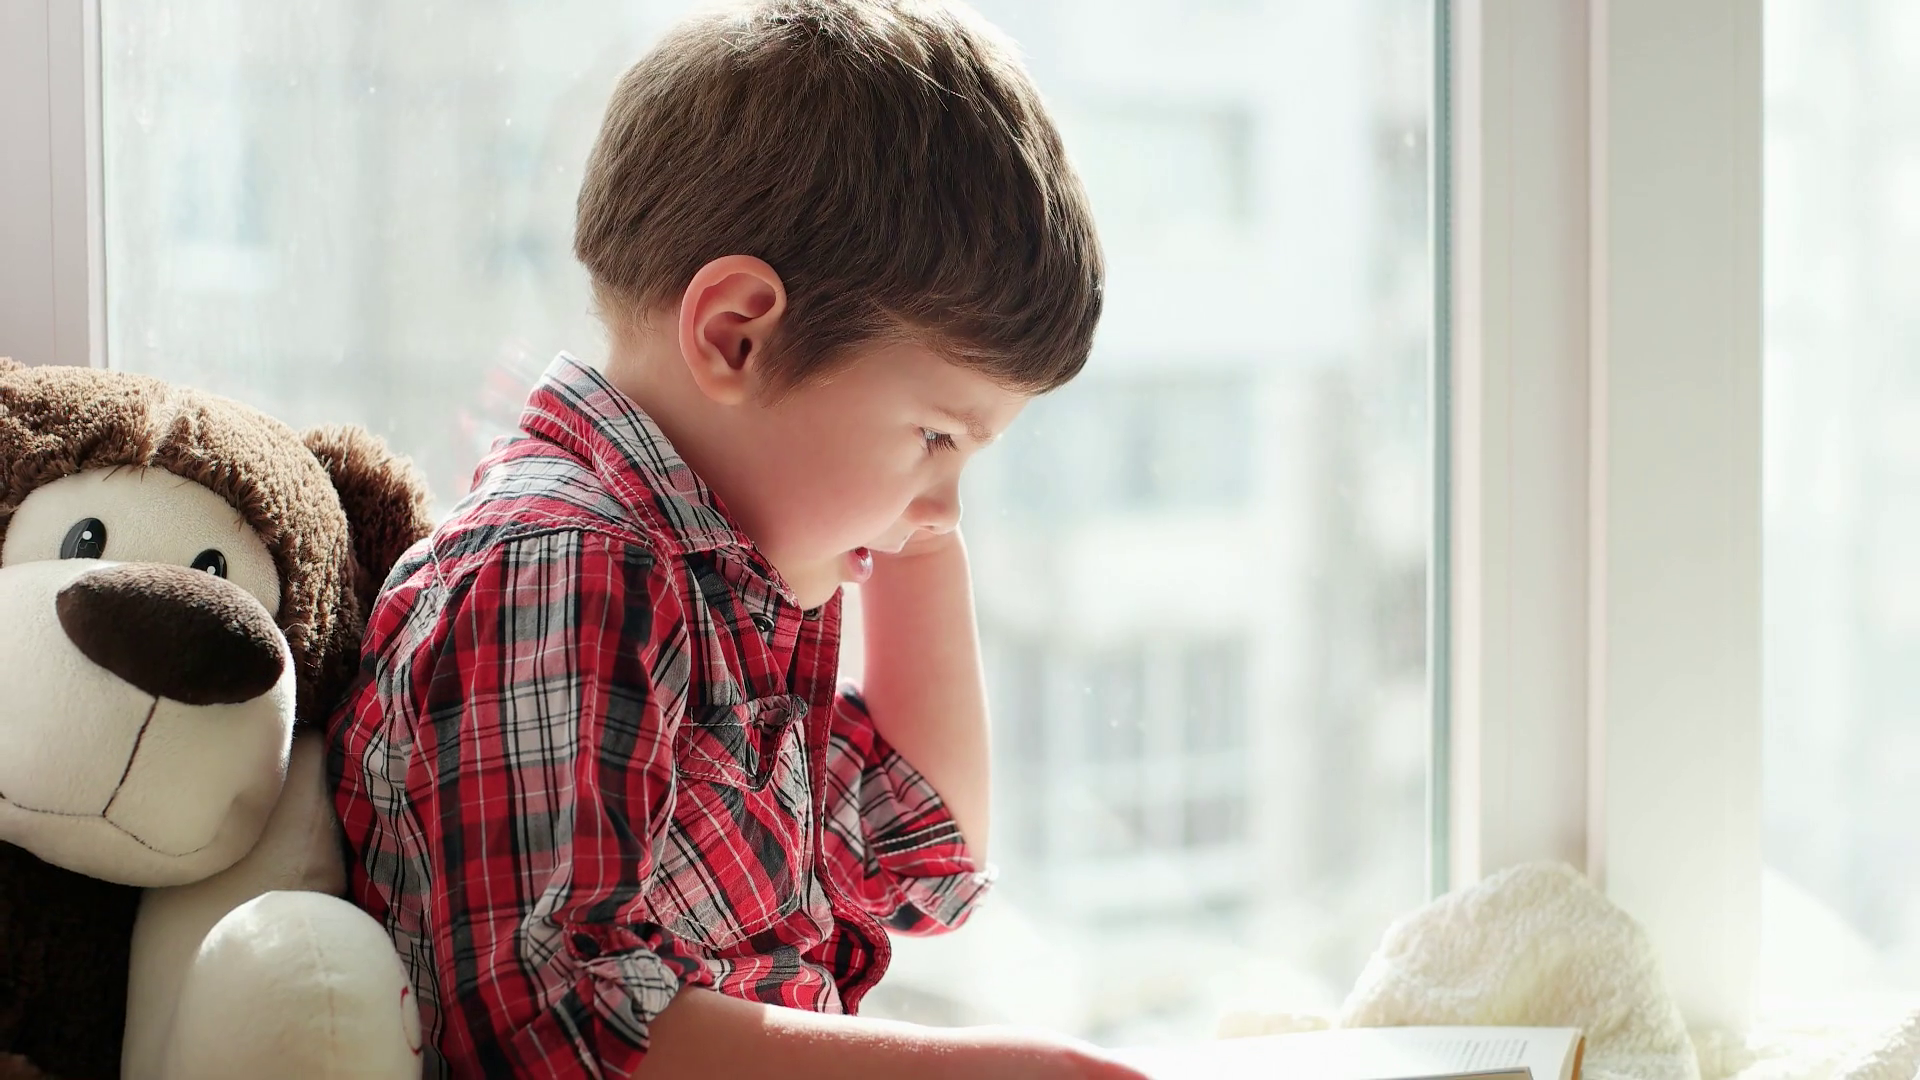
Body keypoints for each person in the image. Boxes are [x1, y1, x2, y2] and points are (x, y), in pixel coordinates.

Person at [328, 1, 1139, 1075]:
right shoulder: (566, 569)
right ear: (737, 336)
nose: (945, 512)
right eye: (936, 434)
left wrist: (913, 510)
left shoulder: (726, 584)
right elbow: (563, 1029)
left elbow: (925, 845)